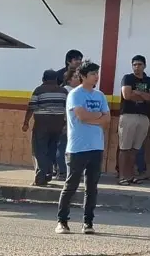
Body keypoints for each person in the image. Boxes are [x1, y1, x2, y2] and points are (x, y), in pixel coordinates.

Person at [56, 61, 109, 235]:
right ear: (83, 76)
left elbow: (107, 119)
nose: (96, 76)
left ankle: (88, 222)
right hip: (77, 148)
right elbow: (81, 115)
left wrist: (93, 119)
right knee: (71, 185)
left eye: (97, 73)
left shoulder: (100, 95)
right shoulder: (75, 94)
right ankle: (62, 221)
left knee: (91, 187)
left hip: (96, 147)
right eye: (93, 73)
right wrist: (96, 117)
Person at [23, 70, 67, 186]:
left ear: (43, 79)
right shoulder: (63, 91)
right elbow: (68, 109)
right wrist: (66, 125)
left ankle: (41, 177)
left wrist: (26, 123)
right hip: (58, 125)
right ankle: (48, 174)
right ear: (56, 79)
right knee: (52, 150)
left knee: (40, 151)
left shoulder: (39, 90)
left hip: (42, 125)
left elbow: (31, 107)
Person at [118, 55, 150, 186]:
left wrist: (138, 92)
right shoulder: (127, 78)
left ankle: (131, 175)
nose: (137, 67)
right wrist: (143, 95)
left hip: (144, 116)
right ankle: (122, 176)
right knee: (124, 148)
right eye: (134, 64)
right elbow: (127, 95)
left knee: (135, 149)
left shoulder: (148, 80)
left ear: (144, 65)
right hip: (128, 115)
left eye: (139, 64)